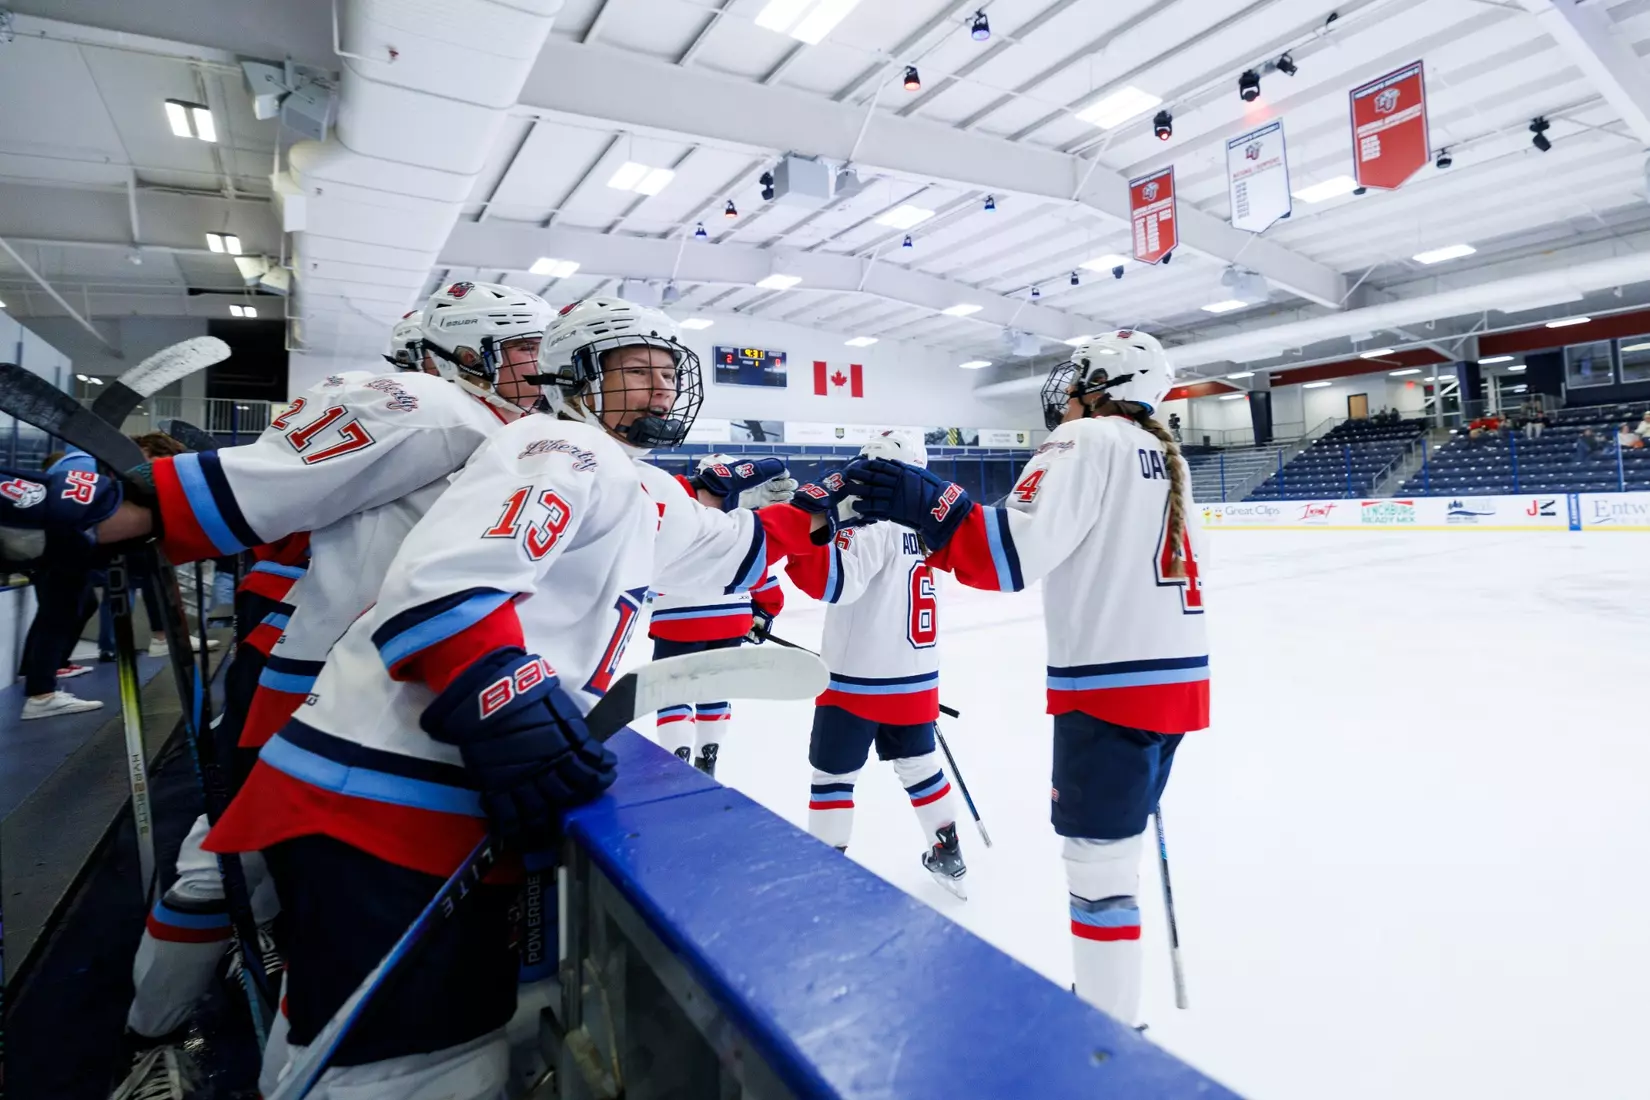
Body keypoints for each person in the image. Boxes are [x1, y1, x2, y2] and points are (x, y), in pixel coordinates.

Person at [198, 297, 824, 1099]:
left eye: (670, 374)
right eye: (637, 370)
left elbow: (735, 548)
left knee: (337, 1035)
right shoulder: (559, 444)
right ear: (573, 377)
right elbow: (448, 587)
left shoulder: (634, 482)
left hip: (393, 789)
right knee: (420, 1071)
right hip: (389, 790)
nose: (662, 389)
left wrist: (833, 506)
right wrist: (509, 705)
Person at [843, 328, 1208, 1028]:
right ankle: (1110, 1004)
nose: (1063, 395)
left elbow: (1006, 557)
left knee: (1097, 872)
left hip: (1110, 691)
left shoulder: (1087, 439)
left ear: (1100, 388)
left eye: (1076, 380)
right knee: (1113, 857)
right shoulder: (1168, 460)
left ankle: (1106, 1028)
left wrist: (929, 502)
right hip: (1177, 688)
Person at [783, 432, 968, 897]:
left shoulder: (871, 528)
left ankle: (827, 866)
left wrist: (803, 531)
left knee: (833, 776)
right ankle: (948, 851)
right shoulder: (930, 533)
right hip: (916, 679)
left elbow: (832, 582)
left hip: (856, 682)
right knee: (919, 766)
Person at [648, 452, 789, 777]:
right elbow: (760, 572)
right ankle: (707, 758)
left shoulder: (676, 514)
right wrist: (764, 612)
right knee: (715, 688)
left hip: (677, 618)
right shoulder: (740, 524)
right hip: (730, 618)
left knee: (673, 691)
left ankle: (677, 759)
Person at [16, 447, 103, 718]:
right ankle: (41, 693)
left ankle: (41, 682)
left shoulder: (71, 465)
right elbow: (76, 512)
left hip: (52, 550)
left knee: (57, 614)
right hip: (61, 552)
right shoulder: (86, 465)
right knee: (57, 616)